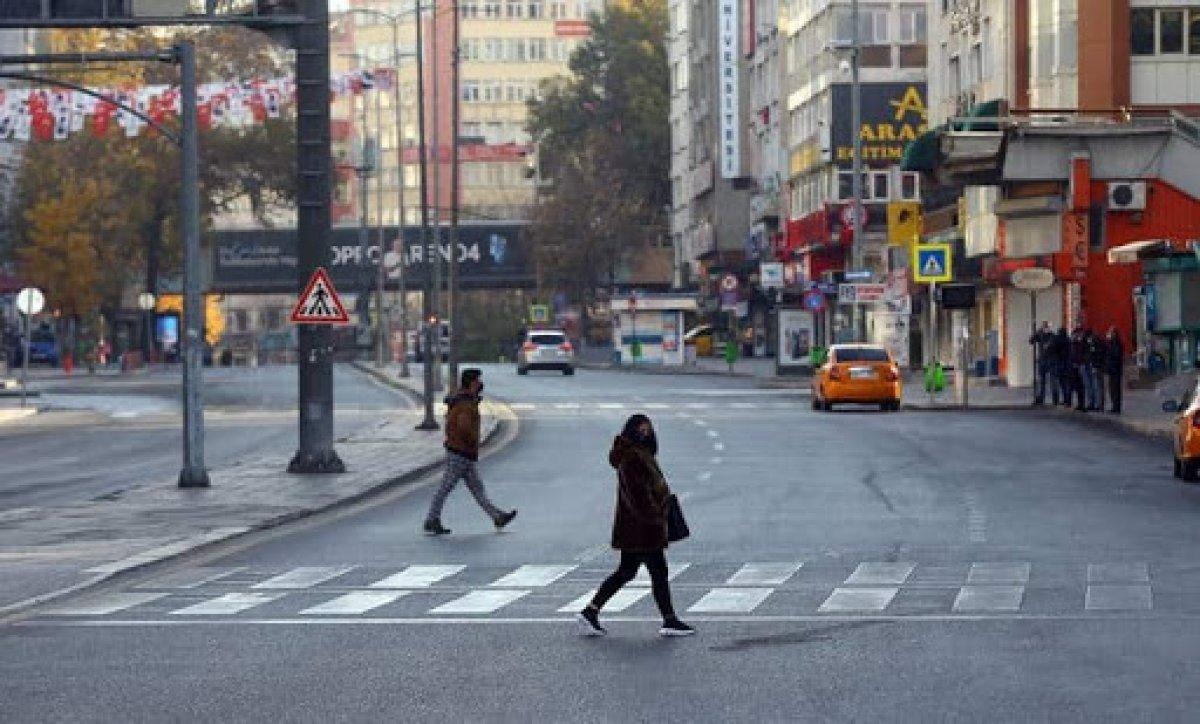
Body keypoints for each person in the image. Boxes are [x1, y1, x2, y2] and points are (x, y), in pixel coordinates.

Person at [578, 414, 694, 638]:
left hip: (638, 528)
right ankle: (669, 620)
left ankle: (590, 612)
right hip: (642, 528)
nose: (646, 433)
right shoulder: (632, 457)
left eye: (648, 429)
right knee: (656, 572)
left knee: (627, 572)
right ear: (632, 431)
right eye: (641, 429)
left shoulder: (641, 453)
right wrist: (654, 517)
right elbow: (637, 495)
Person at [423, 368, 517, 535]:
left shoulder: (464, 400)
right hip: (460, 452)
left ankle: (497, 516)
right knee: (446, 487)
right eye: (478, 381)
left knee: (476, 488)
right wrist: (472, 441)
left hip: (462, 451)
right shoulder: (465, 404)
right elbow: (464, 427)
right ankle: (431, 519)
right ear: (472, 382)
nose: (481, 384)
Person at [1029, 322, 1055, 405]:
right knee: (1041, 381)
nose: (1045, 329)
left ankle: (1055, 398)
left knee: (1052, 380)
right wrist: (1037, 332)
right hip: (1042, 360)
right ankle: (1041, 398)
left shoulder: (1052, 336)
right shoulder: (1040, 335)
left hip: (1050, 360)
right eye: (1044, 327)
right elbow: (1031, 341)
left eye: (1046, 327)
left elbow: (1053, 346)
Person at [1105, 327, 1125, 414]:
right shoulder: (1112, 343)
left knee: (1115, 389)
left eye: (1110, 333)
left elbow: (1115, 356)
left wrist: (1112, 366)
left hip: (1115, 370)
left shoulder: (1116, 343)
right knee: (1112, 389)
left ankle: (1116, 407)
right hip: (1112, 369)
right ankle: (1114, 406)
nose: (1108, 334)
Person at [1069, 327, 1089, 411]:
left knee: (1082, 386)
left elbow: (1081, 354)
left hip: (1080, 365)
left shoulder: (1081, 343)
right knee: (1077, 386)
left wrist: (1079, 362)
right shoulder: (1073, 343)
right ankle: (1080, 403)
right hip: (1075, 366)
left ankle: (1082, 404)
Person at [1054, 328, 1072, 407]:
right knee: (1066, 384)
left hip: (1061, 364)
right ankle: (1067, 400)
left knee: (1063, 383)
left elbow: (1053, 349)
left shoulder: (1059, 341)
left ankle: (1066, 400)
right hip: (1067, 364)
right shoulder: (1068, 340)